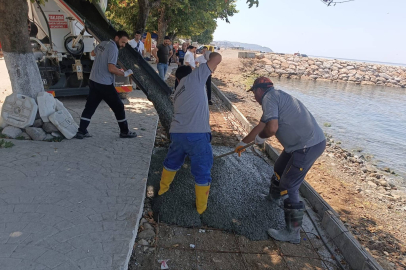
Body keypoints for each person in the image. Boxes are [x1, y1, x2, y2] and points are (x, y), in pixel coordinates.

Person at [235, 77, 326, 244]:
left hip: (307, 146)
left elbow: (271, 129)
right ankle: (273, 197)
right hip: (297, 146)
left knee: (290, 184)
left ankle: (293, 232)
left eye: (254, 92)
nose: (254, 96)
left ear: (260, 90)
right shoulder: (275, 97)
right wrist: (243, 143)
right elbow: (260, 126)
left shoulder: (269, 98)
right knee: (279, 166)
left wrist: (261, 139)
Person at [158, 52, 223, 214]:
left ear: (177, 79)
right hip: (197, 135)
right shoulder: (195, 78)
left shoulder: (177, 92)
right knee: (202, 170)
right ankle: (201, 208)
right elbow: (217, 58)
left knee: (172, 161)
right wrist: (208, 55)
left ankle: (162, 190)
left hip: (177, 134)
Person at [76, 31, 137, 139]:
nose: (123, 45)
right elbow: (111, 68)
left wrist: (103, 60)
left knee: (90, 106)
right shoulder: (113, 49)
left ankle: (81, 131)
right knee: (118, 106)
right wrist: (125, 73)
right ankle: (124, 132)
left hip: (94, 80)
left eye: (125, 43)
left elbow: (93, 53)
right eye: (123, 42)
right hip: (104, 83)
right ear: (116, 38)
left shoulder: (103, 43)